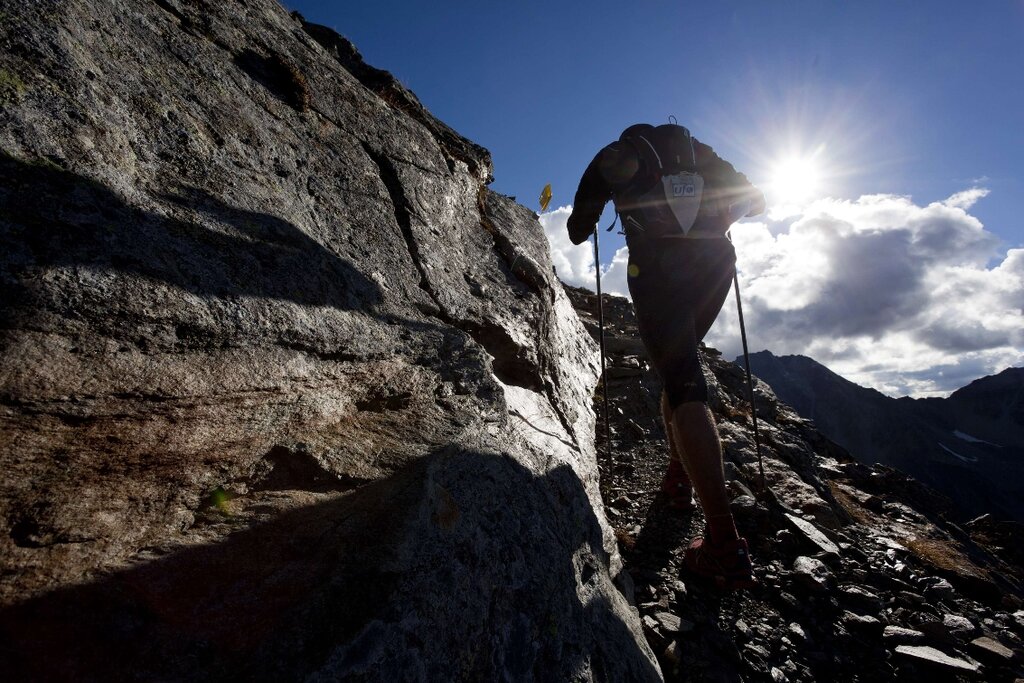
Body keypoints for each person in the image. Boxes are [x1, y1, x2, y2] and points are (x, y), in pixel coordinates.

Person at [566, 122, 765, 590]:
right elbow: (756, 200)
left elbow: (577, 231)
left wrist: (602, 209)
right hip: (715, 261)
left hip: (657, 268)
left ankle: (722, 542)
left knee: (683, 380)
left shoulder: (615, 153)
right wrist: (712, 216)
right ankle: (679, 477)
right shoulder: (700, 152)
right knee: (677, 368)